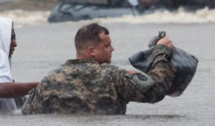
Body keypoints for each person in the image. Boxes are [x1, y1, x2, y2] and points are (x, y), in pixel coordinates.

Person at [22, 23, 176, 115]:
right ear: (91, 51)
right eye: (107, 46)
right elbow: (156, 90)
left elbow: (28, 114)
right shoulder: (114, 76)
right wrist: (162, 52)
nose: (112, 49)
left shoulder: (50, 80)